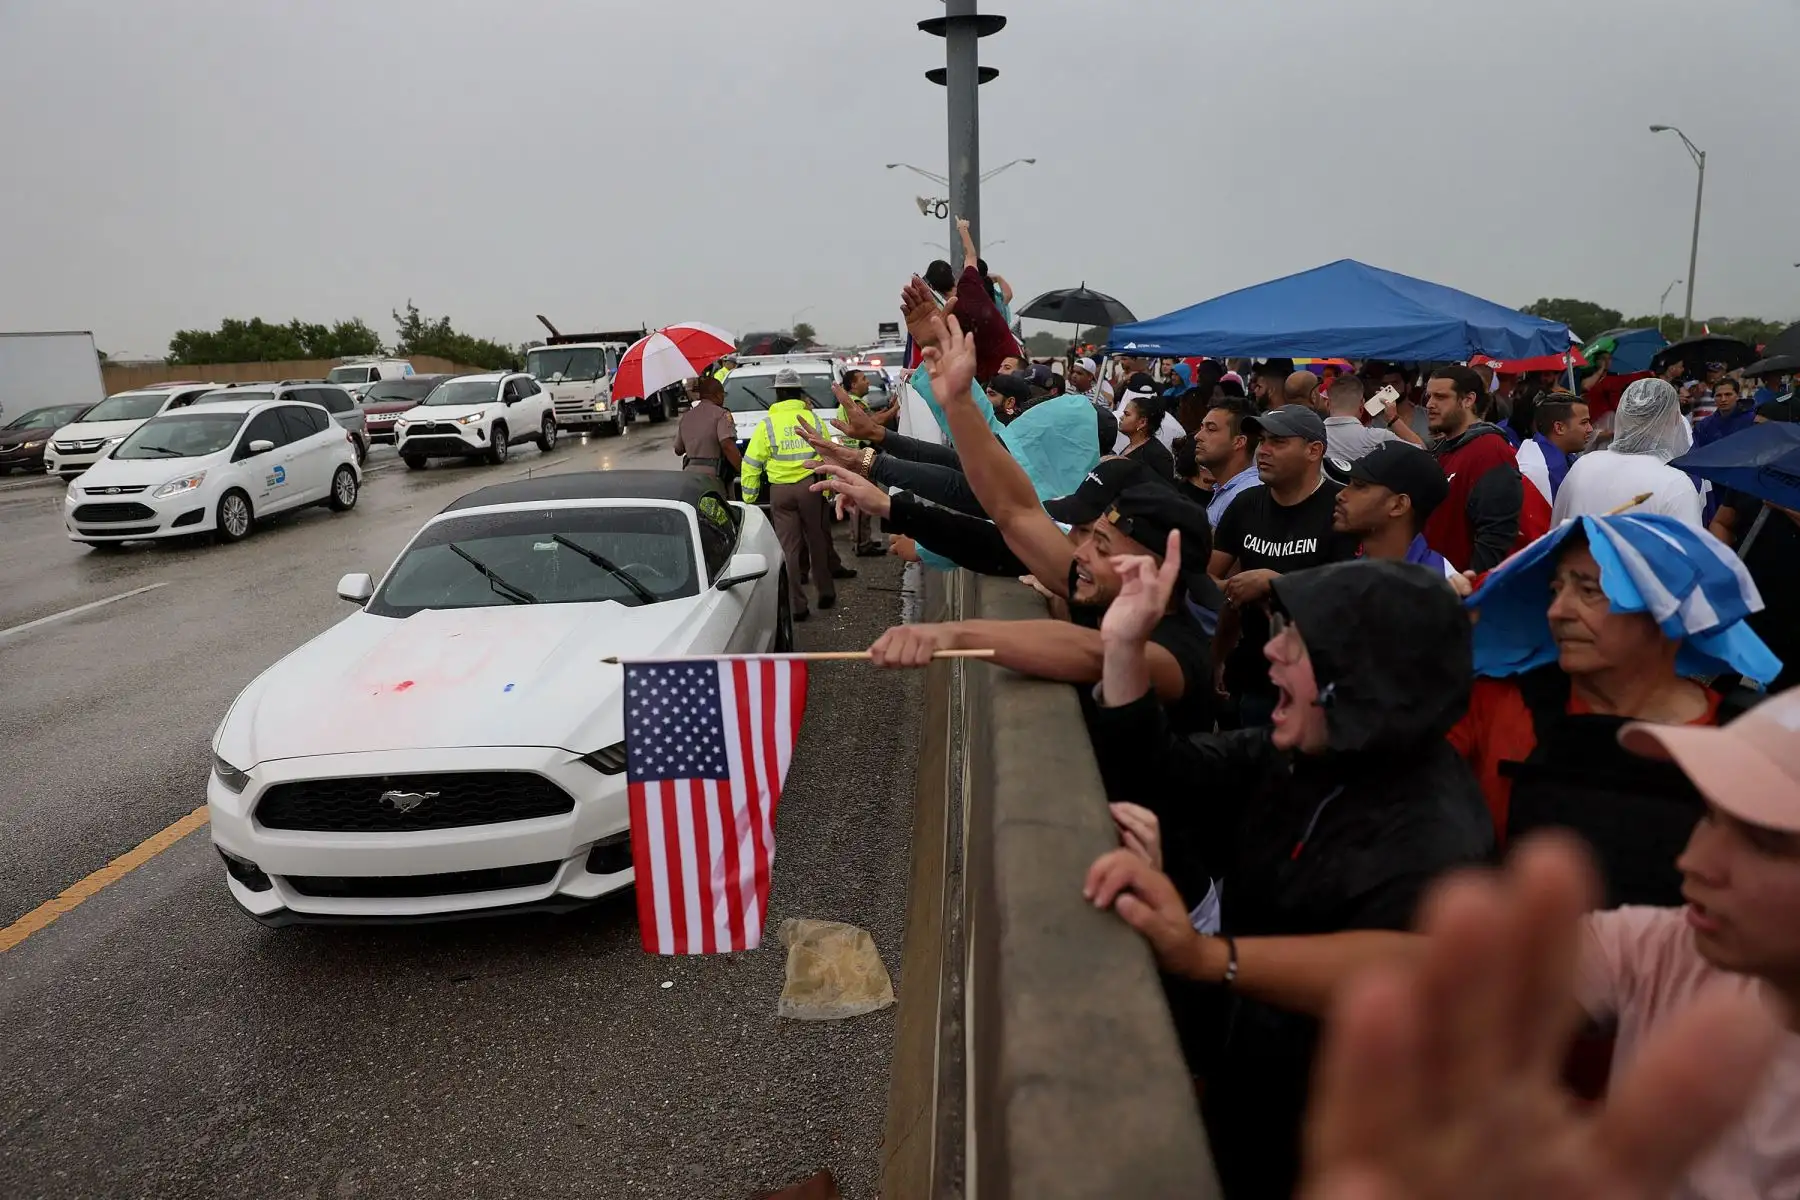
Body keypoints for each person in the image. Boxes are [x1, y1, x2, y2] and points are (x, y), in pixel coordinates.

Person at [1095, 704, 1800, 1200]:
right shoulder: (1676, 944)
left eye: (1763, 840)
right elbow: (1446, 972)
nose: (1694, 860)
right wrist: (1205, 954)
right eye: (1707, 818)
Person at [1085, 546, 1492, 1200]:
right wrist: (1124, 645)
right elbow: (1167, 773)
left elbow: (1391, 985)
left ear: (1359, 679)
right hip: (1248, 1090)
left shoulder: (1434, 846)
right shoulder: (1301, 751)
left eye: (1297, 646)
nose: (1270, 654)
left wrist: (1208, 957)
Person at [863, 291, 1221, 731]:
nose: (1080, 551)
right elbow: (1013, 510)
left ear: (1158, 566)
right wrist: (956, 403)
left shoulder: (1178, 653)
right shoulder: (1096, 584)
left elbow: (1092, 652)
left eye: (1100, 543)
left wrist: (951, 635)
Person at [1448, 512, 1780, 904]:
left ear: (1664, 614)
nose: (1558, 611)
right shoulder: (1496, 701)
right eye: (1556, 590)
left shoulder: (1746, 746)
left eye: (1590, 591)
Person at [1209, 405, 1362, 727]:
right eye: (1262, 440)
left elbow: (1348, 602)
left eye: (1278, 441)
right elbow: (1209, 577)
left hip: (1311, 685)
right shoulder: (1246, 504)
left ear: (1314, 450)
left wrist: (1277, 584)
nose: (1263, 450)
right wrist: (1218, 655)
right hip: (1249, 673)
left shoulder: (1342, 509)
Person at [740, 366, 849, 620]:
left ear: (777, 395)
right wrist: (832, 486)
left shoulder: (767, 424)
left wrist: (749, 496)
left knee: (788, 548)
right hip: (810, 488)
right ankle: (825, 592)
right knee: (817, 541)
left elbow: (751, 462)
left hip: (780, 492)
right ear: (799, 394)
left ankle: (797, 605)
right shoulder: (811, 419)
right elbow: (828, 453)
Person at [1422, 364, 1546, 573]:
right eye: (1429, 396)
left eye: (1441, 397)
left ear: (1468, 400)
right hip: (1438, 584)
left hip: (1462, 590)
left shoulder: (1490, 450)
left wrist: (1474, 588)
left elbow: (1496, 535)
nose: (1430, 404)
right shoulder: (1444, 449)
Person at [1552, 378, 1704, 527]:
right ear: (1674, 421)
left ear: (1623, 416)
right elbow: (1688, 549)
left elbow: (1556, 536)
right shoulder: (1675, 483)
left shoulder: (1583, 466)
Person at [1328, 441, 1455, 577]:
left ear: (1398, 505)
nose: (1340, 495)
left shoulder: (1442, 586)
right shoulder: (1347, 576)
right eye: (1349, 483)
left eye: (1359, 485)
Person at [1190, 397, 1262, 528]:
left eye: (1211, 429)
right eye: (1202, 427)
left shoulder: (1246, 496)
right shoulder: (1231, 490)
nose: (1198, 436)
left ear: (1239, 442)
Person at [1514, 395, 1590, 507]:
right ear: (1559, 428)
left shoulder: (1539, 451)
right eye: (1584, 423)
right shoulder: (1545, 471)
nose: (1590, 429)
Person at [673, 375, 743, 483]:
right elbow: (727, 445)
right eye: (723, 395)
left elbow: (678, 449)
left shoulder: (687, 416)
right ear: (718, 395)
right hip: (714, 476)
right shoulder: (721, 414)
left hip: (689, 476)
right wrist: (743, 470)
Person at [1321, 375, 1401, 461]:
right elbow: (1417, 451)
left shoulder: (1311, 436)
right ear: (1362, 404)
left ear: (1327, 404)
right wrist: (1394, 419)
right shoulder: (1381, 437)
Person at [1118, 390, 1176, 480]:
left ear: (1142, 422)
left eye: (1127, 414)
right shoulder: (1132, 445)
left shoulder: (1158, 456)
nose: (1121, 417)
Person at [1694, 377, 1756, 449]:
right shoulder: (1703, 426)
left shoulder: (1753, 420)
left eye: (1728, 394)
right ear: (1714, 398)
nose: (1723, 399)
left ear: (1738, 395)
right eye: (1718, 395)